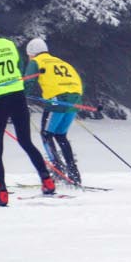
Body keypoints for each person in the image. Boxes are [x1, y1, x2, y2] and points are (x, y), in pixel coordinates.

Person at [0, 9, 54, 205]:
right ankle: (47, 181)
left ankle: (1, 193)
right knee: (26, 141)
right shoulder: (9, 44)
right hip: (17, 96)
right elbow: (17, 68)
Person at [24, 36, 84, 186]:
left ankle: (57, 171)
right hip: (75, 100)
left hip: (57, 100)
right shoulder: (60, 61)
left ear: (31, 52)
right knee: (60, 135)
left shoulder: (36, 62)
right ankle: (74, 174)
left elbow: (28, 82)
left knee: (46, 135)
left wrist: (22, 96)